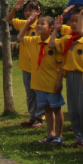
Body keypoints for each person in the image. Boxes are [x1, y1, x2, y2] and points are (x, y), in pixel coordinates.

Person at [20, 12, 64, 144]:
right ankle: (50, 133)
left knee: (56, 108)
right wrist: (28, 22)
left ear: (50, 27)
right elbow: (20, 36)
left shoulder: (55, 43)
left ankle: (59, 135)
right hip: (38, 82)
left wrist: (59, 80)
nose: (38, 26)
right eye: (37, 24)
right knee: (47, 109)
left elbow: (61, 63)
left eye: (42, 24)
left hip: (51, 82)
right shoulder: (34, 41)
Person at [54, 7, 83, 146]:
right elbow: (52, 44)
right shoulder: (68, 39)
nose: (74, 24)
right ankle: (79, 136)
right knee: (73, 108)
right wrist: (56, 29)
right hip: (70, 76)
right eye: (72, 21)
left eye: (78, 21)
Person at [8, 0, 44, 128]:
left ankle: (40, 117)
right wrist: (14, 8)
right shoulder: (24, 23)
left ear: (38, 11)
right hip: (25, 66)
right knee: (29, 94)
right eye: (26, 10)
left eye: (31, 10)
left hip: (38, 67)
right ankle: (32, 116)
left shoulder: (41, 26)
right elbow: (9, 20)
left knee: (38, 92)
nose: (28, 13)